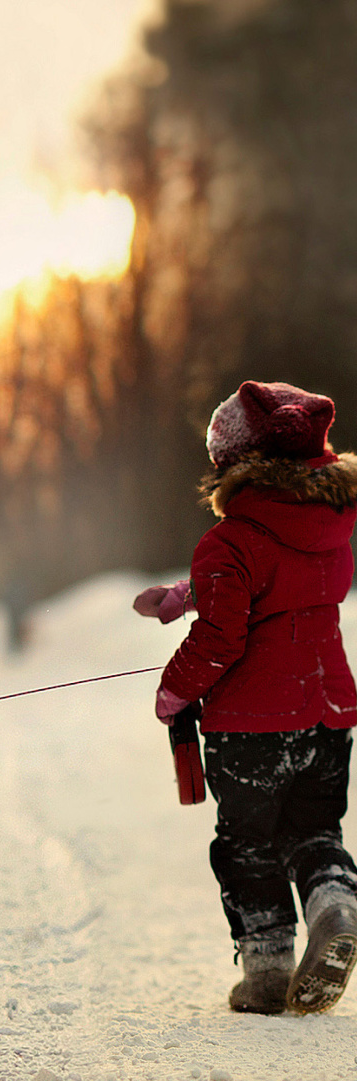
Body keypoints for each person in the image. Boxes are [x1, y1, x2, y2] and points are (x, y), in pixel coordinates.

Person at [135, 380, 357, 1015]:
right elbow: (278, 575)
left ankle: (266, 973)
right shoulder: (332, 526)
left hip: (251, 725)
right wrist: (187, 592)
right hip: (327, 711)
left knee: (246, 843)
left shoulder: (228, 541)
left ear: (235, 466)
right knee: (314, 829)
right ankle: (336, 903)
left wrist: (174, 691)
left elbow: (223, 634)